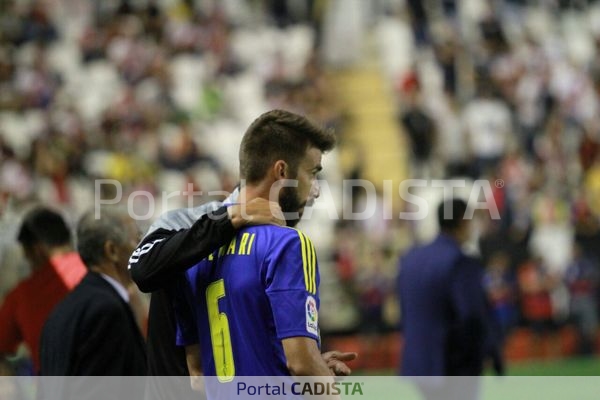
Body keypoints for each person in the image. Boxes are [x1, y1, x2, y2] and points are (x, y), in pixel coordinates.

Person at [171, 109, 341, 397]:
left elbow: (197, 371)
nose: (315, 191)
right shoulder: (287, 244)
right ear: (282, 172)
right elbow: (301, 364)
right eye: (312, 174)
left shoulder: (194, 250)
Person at [397, 199, 503, 399]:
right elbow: (472, 316)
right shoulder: (460, 261)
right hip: (451, 363)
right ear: (463, 221)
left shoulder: (410, 258)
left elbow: (404, 309)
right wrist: (489, 350)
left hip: (417, 360)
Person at [39, 208, 146, 376]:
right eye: (137, 240)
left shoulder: (62, 309)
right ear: (112, 251)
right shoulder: (105, 310)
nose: (143, 249)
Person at [0, 207, 86, 374]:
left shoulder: (23, 293)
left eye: (26, 255)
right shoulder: (95, 271)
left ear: (37, 250)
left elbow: (2, 343)